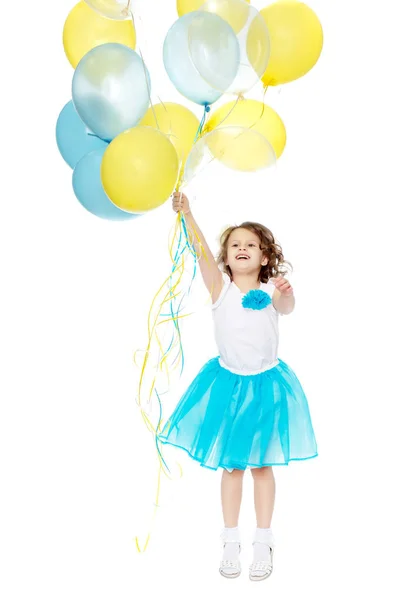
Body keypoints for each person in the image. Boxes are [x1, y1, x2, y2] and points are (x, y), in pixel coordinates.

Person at [158, 191, 318, 581]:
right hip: (228, 387)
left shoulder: (270, 293)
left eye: (250, 245)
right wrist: (188, 214)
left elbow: (286, 309)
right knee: (231, 467)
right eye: (234, 245)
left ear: (264, 257)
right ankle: (231, 539)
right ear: (226, 258)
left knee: (262, 465)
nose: (242, 248)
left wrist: (285, 293)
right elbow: (198, 250)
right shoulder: (221, 289)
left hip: (266, 387)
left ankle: (263, 538)